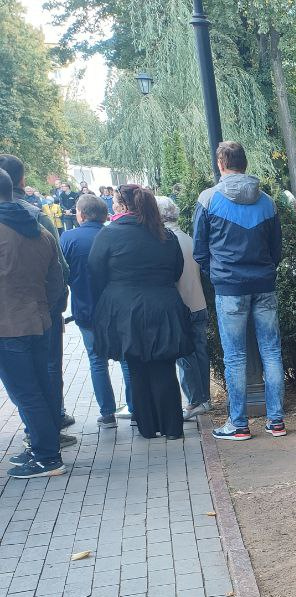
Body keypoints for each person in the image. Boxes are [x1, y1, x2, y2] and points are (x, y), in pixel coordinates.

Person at [193, 141, 286, 440]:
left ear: (221, 164)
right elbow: (276, 249)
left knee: (234, 357)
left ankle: (239, 424)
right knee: (271, 351)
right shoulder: (267, 202)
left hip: (229, 286)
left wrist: (218, 275)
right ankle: (276, 421)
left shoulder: (208, 200)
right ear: (245, 163)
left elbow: (200, 249)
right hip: (264, 283)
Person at [89, 184, 190, 440]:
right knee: (165, 367)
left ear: (123, 206)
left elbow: (95, 272)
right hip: (164, 305)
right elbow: (176, 270)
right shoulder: (165, 235)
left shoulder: (109, 234)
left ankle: (147, 427)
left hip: (125, 310)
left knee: (135, 367)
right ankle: (172, 427)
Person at [0, 168, 69, 478]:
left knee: (25, 393)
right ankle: (44, 447)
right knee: (40, 387)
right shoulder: (39, 229)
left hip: (8, 326)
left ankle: (46, 456)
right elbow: (57, 280)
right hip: (40, 320)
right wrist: (47, 308)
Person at [60, 194, 120, 426]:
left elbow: (62, 273)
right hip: (115, 307)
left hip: (85, 308)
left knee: (97, 361)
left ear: (81, 214)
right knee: (126, 357)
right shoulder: (113, 234)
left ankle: (108, 413)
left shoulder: (69, 238)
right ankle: (135, 409)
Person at [156, 196, 212, 420]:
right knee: (200, 352)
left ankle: (194, 400)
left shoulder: (165, 243)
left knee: (184, 355)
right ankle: (205, 398)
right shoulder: (189, 239)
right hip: (199, 303)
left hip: (181, 307)